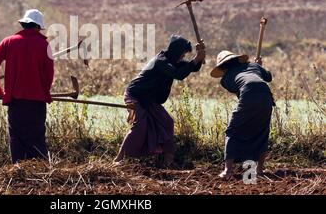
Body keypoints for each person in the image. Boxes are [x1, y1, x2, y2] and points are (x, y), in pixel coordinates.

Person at [114, 35, 206, 165]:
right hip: (136, 95)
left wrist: (200, 55)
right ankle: (120, 158)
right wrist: (197, 59)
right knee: (140, 125)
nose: (182, 58)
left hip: (149, 99)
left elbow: (193, 67)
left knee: (167, 122)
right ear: (176, 52)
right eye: (182, 55)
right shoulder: (161, 61)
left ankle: (169, 159)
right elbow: (179, 74)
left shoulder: (172, 61)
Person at [0, 9, 54, 163]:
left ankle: (17, 169)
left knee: (17, 138)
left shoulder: (9, 42)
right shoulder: (44, 45)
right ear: (38, 27)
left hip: (15, 100)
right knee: (37, 137)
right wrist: (44, 91)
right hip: (37, 102)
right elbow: (49, 76)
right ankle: (41, 170)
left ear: (24, 24)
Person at [210, 51, 275, 179]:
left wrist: (258, 68)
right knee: (262, 131)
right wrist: (259, 67)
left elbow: (242, 91)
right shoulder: (253, 66)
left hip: (249, 94)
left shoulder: (225, 79)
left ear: (222, 67)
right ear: (238, 60)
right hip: (266, 95)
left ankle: (228, 171)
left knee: (232, 131)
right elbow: (268, 77)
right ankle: (260, 170)